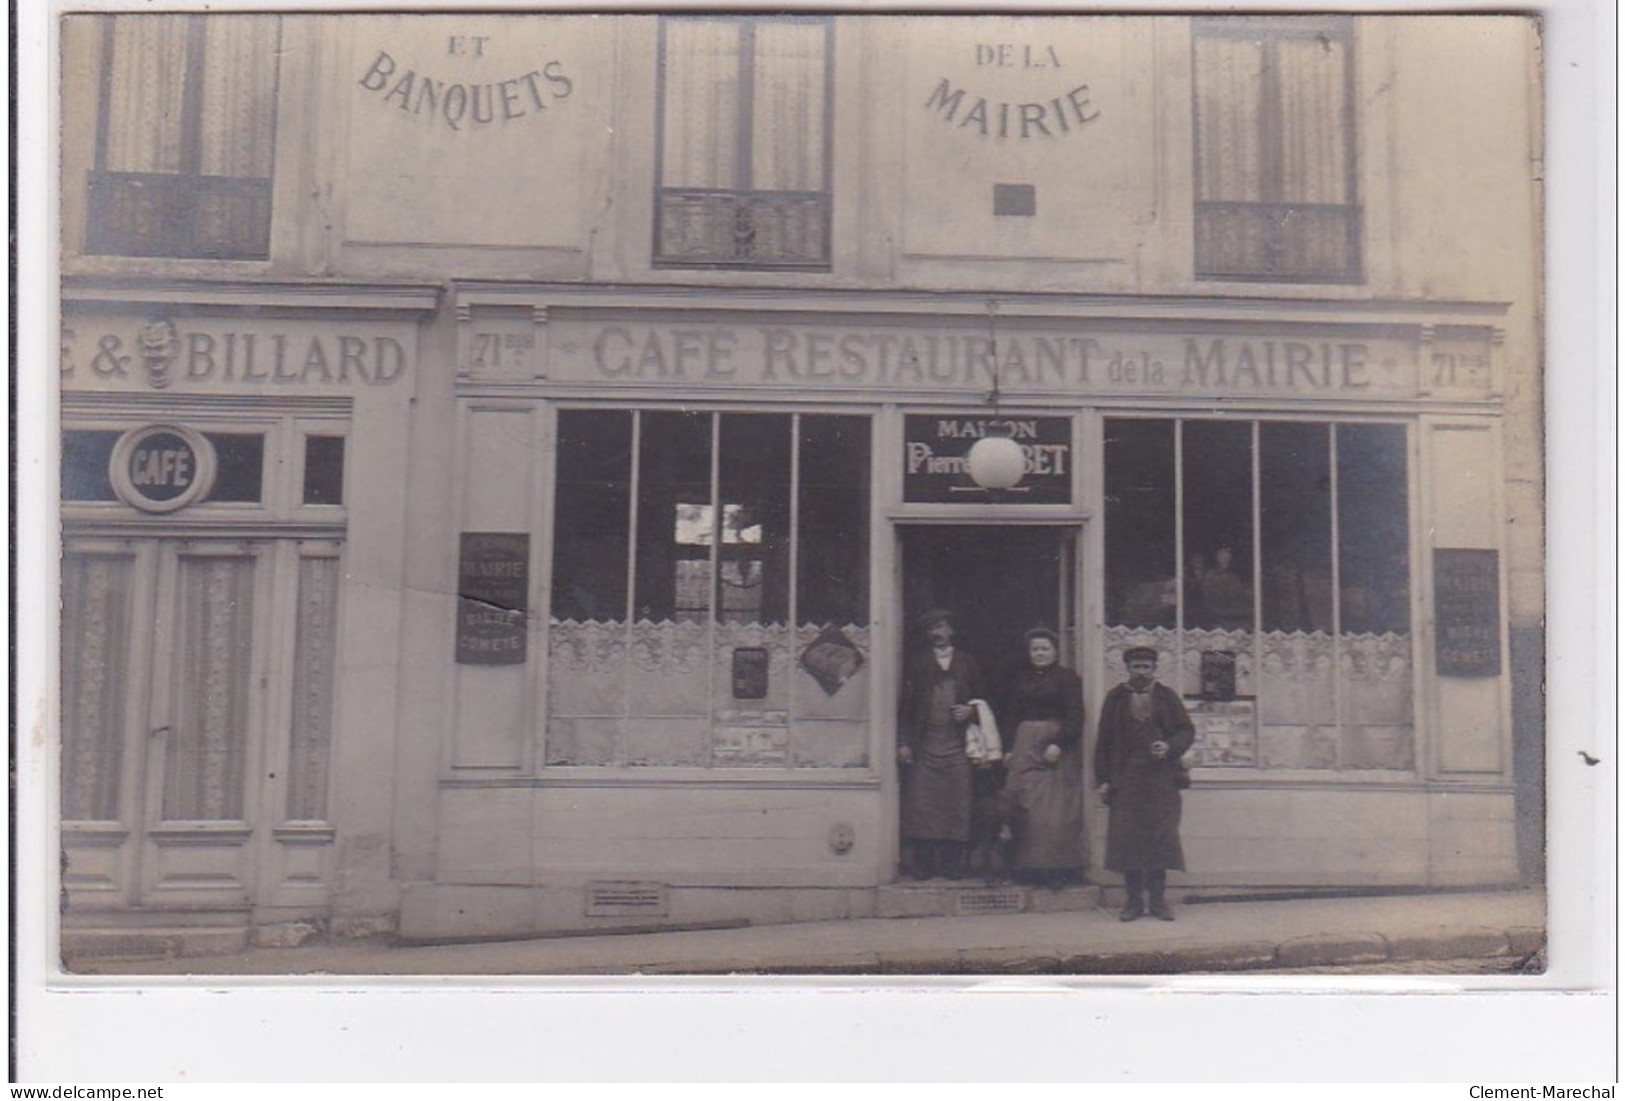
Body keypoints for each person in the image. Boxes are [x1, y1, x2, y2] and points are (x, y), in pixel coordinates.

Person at [1093, 646, 1195, 921]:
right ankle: (1134, 902)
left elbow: (1187, 730)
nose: (1141, 672)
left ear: (1154, 669)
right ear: (1127, 668)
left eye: (1146, 667)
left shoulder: (1166, 696)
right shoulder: (1115, 698)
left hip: (1161, 777)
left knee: (1160, 837)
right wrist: (1102, 779)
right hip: (1126, 777)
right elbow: (1102, 743)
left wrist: (1170, 746)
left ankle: (1159, 901)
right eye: (1136, 666)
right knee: (1128, 839)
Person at [897, 609, 987, 881]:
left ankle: (951, 864)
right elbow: (906, 707)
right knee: (923, 805)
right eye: (932, 629)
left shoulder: (967, 662)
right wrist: (904, 742)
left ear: (952, 631)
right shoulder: (918, 663)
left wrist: (970, 711)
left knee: (957, 803)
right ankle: (924, 864)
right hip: (926, 744)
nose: (937, 633)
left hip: (958, 745)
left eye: (941, 627)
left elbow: (984, 698)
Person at [1001, 626, 1087, 889]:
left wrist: (1059, 743)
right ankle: (1027, 868)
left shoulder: (1067, 678)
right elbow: (1010, 714)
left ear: (1055, 652)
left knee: (1057, 811)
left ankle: (1058, 870)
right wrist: (1008, 748)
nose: (1039, 653)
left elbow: (1076, 715)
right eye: (1035, 649)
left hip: (1056, 746)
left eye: (1045, 649)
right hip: (1025, 742)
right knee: (1023, 803)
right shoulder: (1019, 678)